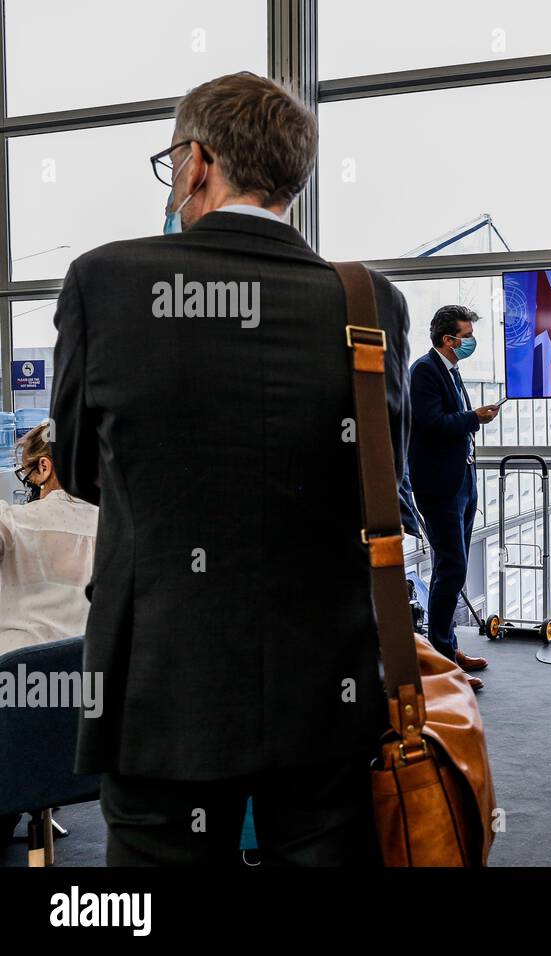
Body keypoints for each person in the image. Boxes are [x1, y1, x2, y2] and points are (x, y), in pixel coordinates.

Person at [51, 72, 410, 866]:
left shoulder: (104, 282)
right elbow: (382, 484)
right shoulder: (367, 302)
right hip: (329, 687)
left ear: (197, 161)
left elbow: (78, 468)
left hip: (160, 687)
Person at [407, 304, 496, 689]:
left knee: (452, 565)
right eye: (466, 335)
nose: (470, 341)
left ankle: (448, 647)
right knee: (453, 568)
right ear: (448, 339)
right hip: (439, 487)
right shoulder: (424, 371)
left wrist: (472, 420)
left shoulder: (451, 371)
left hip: (462, 480)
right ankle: (441, 656)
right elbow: (431, 424)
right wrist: (474, 418)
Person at [0, 421, 98, 656]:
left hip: (18, 680)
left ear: (44, 467)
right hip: (92, 679)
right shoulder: (119, 529)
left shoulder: (12, 521)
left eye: (27, 475)